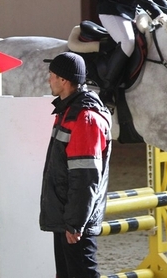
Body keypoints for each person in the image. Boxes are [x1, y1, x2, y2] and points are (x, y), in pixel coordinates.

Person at [39, 52, 113, 278]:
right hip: (66, 216)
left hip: (74, 221)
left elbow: (85, 177)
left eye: (52, 75)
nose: (48, 79)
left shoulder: (84, 118)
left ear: (63, 80)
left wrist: (75, 223)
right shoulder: (67, 111)